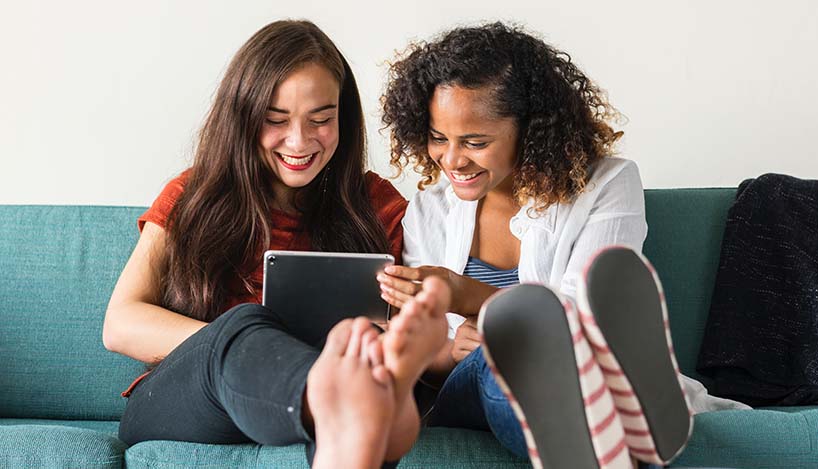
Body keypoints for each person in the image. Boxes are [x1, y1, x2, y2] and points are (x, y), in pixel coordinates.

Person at [102, 19, 448, 468]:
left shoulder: (377, 205)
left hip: (321, 399)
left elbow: (414, 323)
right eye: (275, 120)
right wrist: (255, 344)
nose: (300, 141)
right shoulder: (192, 195)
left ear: (342, 116)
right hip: (188, 397)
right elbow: (120, 325)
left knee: (368, 375)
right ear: (243, 118)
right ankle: (336, 393)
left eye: (321, 119)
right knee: (247, 325)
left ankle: (347, 417)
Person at [378, 22, 692, 469]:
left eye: (475, 142)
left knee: (543, 347)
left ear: (529, 129)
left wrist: (468, 296)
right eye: (438, 138)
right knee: (499, 362)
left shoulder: (606, 185)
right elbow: (424, 359)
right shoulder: (429, 209)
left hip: (578, 370)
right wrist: (452, 350)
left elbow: (584, 324)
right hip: (474, 386)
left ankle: (616, 425)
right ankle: (627, 422)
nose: (452, 160)